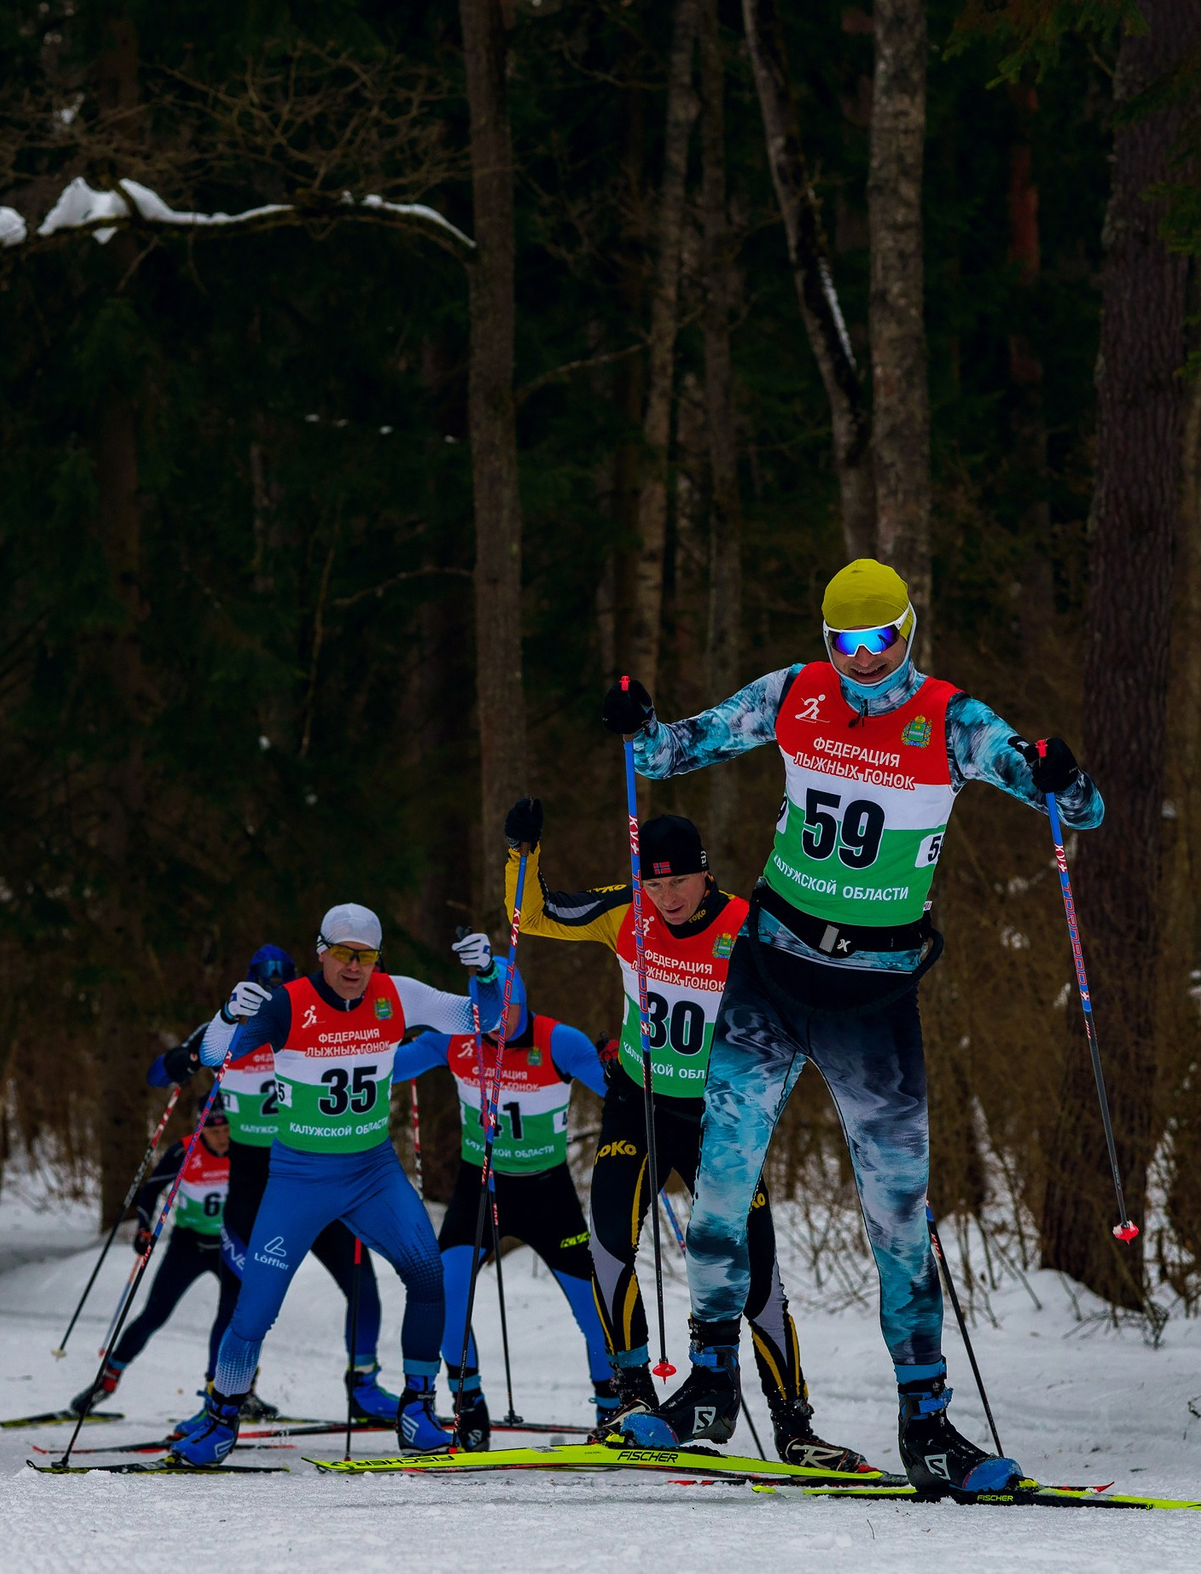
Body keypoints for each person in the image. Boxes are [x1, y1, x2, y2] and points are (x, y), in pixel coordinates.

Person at [599, 557, 1104, 1495]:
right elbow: (671, 750)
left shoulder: (952, 721)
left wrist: (1061, 776)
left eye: (879, 640)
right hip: (773, 966)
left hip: (874, 995)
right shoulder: (794, 693)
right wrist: (637, 719)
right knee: (720, 1184)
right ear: (822, 639)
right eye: (843, 642)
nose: (862, 659)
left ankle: (928, 1422)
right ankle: (709, 1385)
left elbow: (1079, 809)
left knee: (899, 1215)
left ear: (909, 632)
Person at [503, 802, 858, 1469]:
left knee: (753, 1271)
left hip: (719, 1117)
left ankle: (793, 1423)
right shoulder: (626, 912)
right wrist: (523, 854)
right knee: (608, 1243)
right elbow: (535, 914)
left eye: (678, 883)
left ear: (705, 875)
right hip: (637, 1105)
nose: (665, 899)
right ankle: (631, 1397)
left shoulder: (747, 927)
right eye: (654, 885)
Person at [168, 904, 504, 1465]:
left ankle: (417, 1408)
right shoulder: (288, 1003)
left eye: (366, 955)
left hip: (372, 1171)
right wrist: (228, 1014)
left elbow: (482, 1019)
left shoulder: (397, 994)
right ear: (321, 950)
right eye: (343, 953)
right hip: (299, 1177)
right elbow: (214, 1057)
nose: (354, 966)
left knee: (428, 1274)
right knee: (255, 1306)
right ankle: (221, 1414)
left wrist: (488, 973)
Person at [154, 944, 388, 1425]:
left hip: (316, 1169)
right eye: (264, 985)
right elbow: (163, 1069)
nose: (273, 994)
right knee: (239, 1296)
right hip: (253, 1181)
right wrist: (178, 1060)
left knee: (361, 1281)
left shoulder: (315, 1016)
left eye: (281, 985)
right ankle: (219, 1398)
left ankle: (363, 1387)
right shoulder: (232, 1027)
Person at [387, 975, 610, 1450]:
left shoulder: (558, 1041)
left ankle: (613, 1408)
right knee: (445, 1290)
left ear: (522, 1005)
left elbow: (620, 1092)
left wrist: (619, 1063)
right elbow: (391, 1067)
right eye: (484, 1014)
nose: (494, 1025)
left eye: (504, 1012)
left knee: (594, 1308)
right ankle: (469, 1403)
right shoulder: (456, 1040)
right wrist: (379, 1035)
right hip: (480, 1188)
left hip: (547, 1192)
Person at [67, 1109, 239, 1416]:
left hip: (230, 1244)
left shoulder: (244, 1146)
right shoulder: (184, 1150)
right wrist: (144, 1228)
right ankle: (106, 1381)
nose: (222, 1138)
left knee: (239, 1319)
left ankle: (238, 1390)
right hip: (189, 1244)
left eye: (227, 1130)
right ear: (201, 1127)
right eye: (215, 1132)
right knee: (154, 1314)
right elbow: (150, 1190)